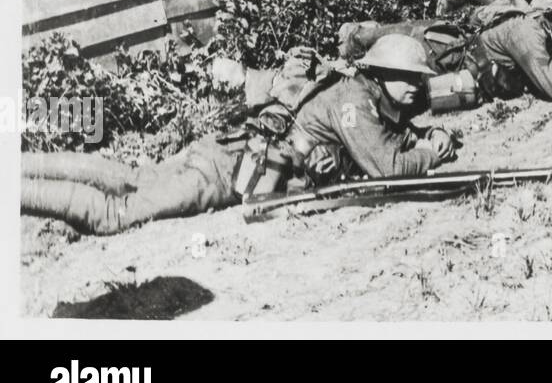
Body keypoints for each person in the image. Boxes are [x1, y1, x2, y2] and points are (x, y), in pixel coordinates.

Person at [20, 38, 460, 235]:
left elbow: (388, 135)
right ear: (379, 75)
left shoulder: (362, 97)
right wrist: (429, 155)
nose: (415, 87)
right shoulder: (352, 103)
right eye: (405, 78)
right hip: (225, 173)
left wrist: (427, 134)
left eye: (418, 80)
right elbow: (389, 168)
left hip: (227, 155)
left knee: (127, 176)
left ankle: (21, 167)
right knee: (116, 213)